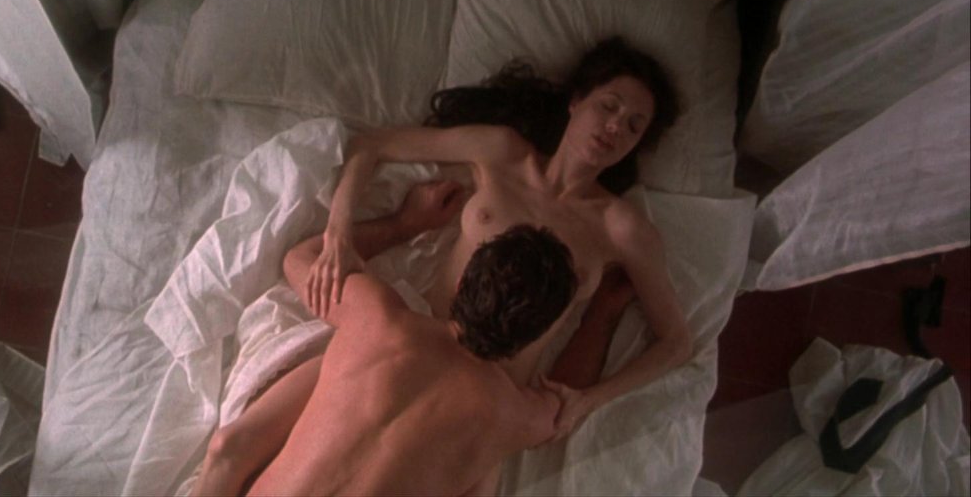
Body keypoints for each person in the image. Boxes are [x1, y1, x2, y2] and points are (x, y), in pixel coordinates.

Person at [193, 36, 691, 495]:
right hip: (427, 362)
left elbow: (676, 341)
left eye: (634, 125)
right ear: (576, 100)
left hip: (463, 381)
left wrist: (592, 396)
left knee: (247, 451)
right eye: (609, 106)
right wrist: (348, 232)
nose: (615, 127)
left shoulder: (621, 229)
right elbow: (373, 145)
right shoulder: (501, 153)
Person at [258, 200, 579, 495]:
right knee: (487, 466)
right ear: (533, 337)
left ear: (461, 283)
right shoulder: (515, 415)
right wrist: (603, 307)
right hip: (497, 415)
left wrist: (403, 225)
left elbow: (299, 259)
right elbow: (569, 406)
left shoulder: (376, 317)